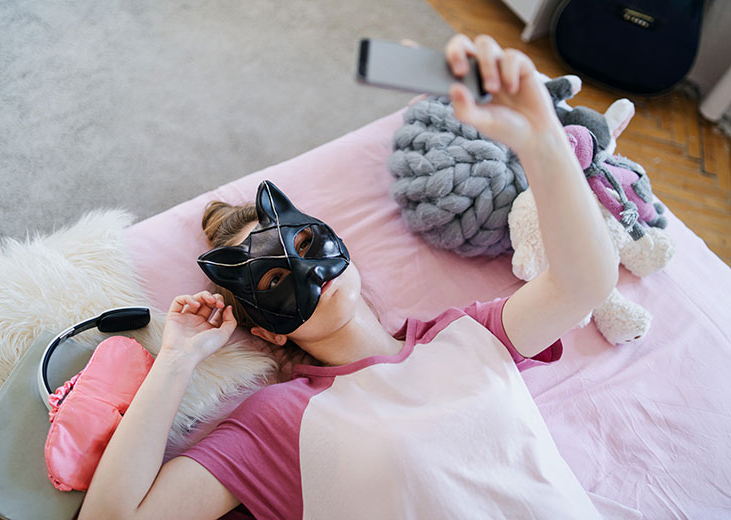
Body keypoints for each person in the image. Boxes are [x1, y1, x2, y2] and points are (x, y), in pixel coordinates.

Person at [79, 33, 618, 520]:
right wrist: (177, 360)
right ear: (269, 331)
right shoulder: (281, 421)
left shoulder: (467, 335)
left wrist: (542, 138)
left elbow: (583, 285)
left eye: (307, 242)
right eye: (272, 282)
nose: (304, 268)